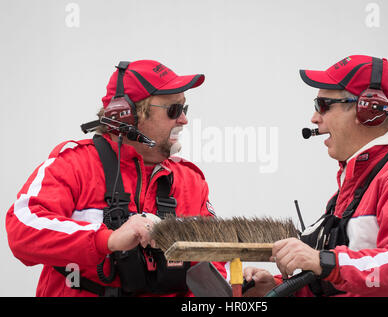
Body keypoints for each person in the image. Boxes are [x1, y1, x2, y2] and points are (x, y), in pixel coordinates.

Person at [5, 59, 225, 297]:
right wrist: (107, 240)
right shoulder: (74, 164)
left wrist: (248, 287)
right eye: (173, 110)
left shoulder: (190, 181)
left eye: (184, 109)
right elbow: (21, 230)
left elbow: (214, 270)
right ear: (128, 116)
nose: (183, 119)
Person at [244, 55, 388, 297]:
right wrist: (280, 288)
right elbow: (344, 280)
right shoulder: (358, 178)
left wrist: (323, 261)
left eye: (323, 105)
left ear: (368, 109)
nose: (314, 118)